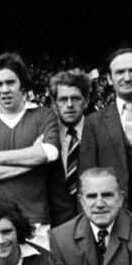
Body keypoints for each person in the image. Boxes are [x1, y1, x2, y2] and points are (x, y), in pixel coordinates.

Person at [0, 52, 61, 248]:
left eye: (10, 82)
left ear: (22, 84)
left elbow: (50, 152)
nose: (4, 90)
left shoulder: (43, 115)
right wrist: (30, 163)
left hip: (34, 217)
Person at [79, 48, 132, 221]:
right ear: (110, 79)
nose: (127, 78)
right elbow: (87, 176)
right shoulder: (94, 122)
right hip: (115, 218)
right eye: (119, 72)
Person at [47, 68, 89, 225]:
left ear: (86, 101)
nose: (70, 105)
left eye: (76, 98)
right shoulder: (45, 136)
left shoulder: (99, 132)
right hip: (56, 225)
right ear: (54, 103)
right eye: (63, 99)